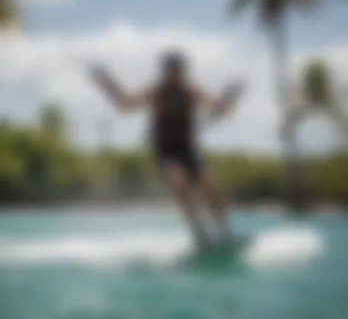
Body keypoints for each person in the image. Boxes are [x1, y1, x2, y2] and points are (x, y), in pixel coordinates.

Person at [90, 51, 243, 247]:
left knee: (210, 187)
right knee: (179, 183)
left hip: (188, 148)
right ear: (165, 71)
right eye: (171, 70)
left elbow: (217, 109)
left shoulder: (191, 91)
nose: (175, 74)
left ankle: (224, 232)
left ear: (183, 71)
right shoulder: (155, 92)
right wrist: (106, 82)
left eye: (178, 70)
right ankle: (199, 232)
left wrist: (230, 97)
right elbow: (125, 104)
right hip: (166, 149)